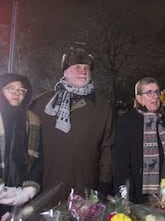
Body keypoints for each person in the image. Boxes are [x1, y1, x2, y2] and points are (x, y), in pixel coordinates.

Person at [30, 47, 113, 207]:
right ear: (65, 72)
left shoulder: (103, 108)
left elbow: (107, 149)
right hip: (44, 187)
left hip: (83, 187)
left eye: (86, 68)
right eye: (77, 68)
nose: (83, 72)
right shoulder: (42, 103)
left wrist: (103, 183)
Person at [113, 77, 165, 203]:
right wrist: (127, 197)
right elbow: (120, 164)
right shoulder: (126, 122)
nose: (154, 96)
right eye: (149, 93)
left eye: (157, 92)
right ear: (138, 98)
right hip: (137, 194)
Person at [0, 73, 41, 216]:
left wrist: (29, 189)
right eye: (10, 88)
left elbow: (38, 156)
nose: (16, 93)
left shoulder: (33, 119)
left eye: (21, 90)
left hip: (21, 196)